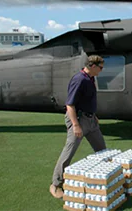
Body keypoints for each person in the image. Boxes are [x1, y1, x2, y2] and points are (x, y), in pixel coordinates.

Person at [49, 55, 107, 199]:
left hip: (90, 119)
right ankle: (55, 184)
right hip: (79, 120)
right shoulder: (79, 79)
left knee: (102, 150)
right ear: (93, 66)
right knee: (69, 152)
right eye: (101, 67)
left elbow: (87, 100)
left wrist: (93, 115)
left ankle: (104, 178)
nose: (102, 70)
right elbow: (70, 105)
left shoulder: (91, 78)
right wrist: (75, 125)